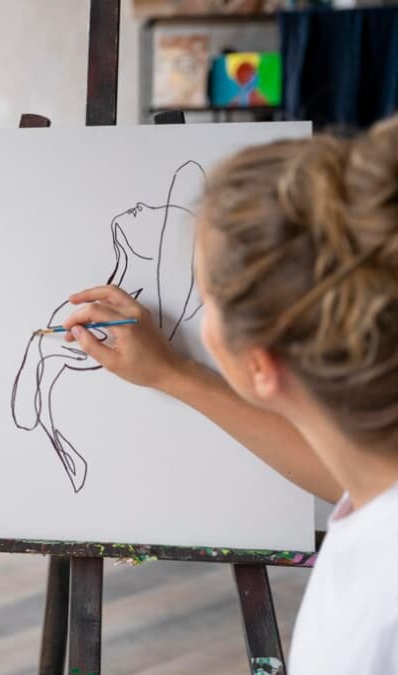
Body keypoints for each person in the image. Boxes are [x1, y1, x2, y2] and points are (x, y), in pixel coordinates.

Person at [62, 115, 398, 670]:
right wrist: (172, 373)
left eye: (206, 292)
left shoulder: (381, 607)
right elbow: (341, 473)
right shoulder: (375, 479)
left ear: (260, 363)